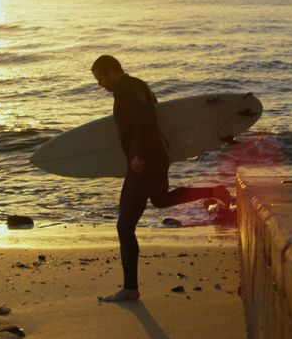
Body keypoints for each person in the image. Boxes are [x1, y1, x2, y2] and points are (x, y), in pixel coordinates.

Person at [91, 55, 233, 302]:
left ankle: (130, 288)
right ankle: (214, 191)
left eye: (100, 78)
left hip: (144, 162)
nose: (100, 85)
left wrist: (137, 156)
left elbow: (144, 122)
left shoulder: (126, 92)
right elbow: (156, 116)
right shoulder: (140, 85)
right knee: (160, 200)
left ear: (110, 72)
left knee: (124, 226)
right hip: (156, 157)